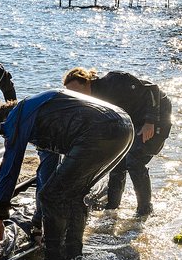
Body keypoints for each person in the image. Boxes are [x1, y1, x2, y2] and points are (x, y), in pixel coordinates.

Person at [0, 82, 134, 260]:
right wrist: (37, 223)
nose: (8, 137)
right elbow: (47, 170)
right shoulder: (42, 115)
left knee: (51, 196)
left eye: (3, 133)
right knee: (71, 194)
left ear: (5, 121)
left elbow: (10, 168)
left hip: (99, 130)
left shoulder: (16, 117)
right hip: (124, 127)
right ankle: (74, 259)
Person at [64, 68, 171, 216]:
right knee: (116, 160)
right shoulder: (89, 102)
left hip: (157, 113)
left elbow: (153, 89)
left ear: (86, 82)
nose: (74, 95)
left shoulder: (115, 80)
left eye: (75, 90)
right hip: (131, 120)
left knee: (134, 160)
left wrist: (150, 121)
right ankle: (112, 207)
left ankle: (145, 209)